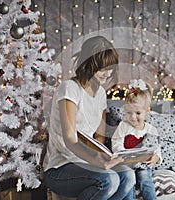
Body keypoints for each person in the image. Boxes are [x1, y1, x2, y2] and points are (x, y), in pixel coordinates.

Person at [43, 36, 135, 200]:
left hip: (86, 163)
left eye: (110, 68)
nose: (107, 74)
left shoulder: (100, 93)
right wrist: (96, 161)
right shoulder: (69, 89)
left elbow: (98, 137)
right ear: (88, 64)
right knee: (109, 180)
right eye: (102, 69)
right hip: (60, 167)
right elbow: (70, 139)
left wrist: (106, 157)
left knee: (128, 175)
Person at [111, 79, 162, 200]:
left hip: (143, 165)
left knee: (145, 178)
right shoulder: (123, 126)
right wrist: (123, 152)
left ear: (147, 112)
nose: (133, 117)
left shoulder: (151, 130)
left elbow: (156, 149)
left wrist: (156, 158)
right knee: (129, 180)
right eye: (129, 113)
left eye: (138, 113)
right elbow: (116, 143)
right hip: (126, 165)